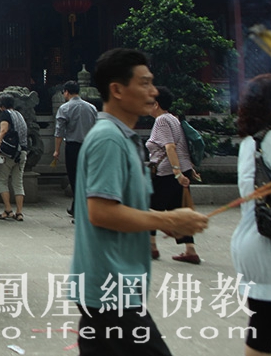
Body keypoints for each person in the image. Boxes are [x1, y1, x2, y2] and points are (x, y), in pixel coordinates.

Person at [70, 48, 208, 356]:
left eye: (152, 82)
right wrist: (168, 220)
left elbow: (121, 207)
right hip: (111, 286)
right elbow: (101, 211)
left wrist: (164, 223)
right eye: (144, 83)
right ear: (117, 89)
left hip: (114, 284)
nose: (153, 91)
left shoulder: (125, 138)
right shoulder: (108, 139)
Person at [231, 73, 271, 356]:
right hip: (270, 244)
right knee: (267, 323)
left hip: (254, 237)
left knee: (264, 324)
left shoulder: (252, 141)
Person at [146, 86, 201, 263]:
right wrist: (186, 169)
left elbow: (170, 146)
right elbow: (183, 145)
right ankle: (190, 249)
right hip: (181, 169)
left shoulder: (161, 120)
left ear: (156, 104)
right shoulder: (174, 119)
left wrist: (177, 173)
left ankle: (151, 246)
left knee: (151, 208)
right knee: (180, 210)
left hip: (168, 172)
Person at [52, 80, 98, 218]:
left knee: (74, 178)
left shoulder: (64, 108)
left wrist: (56, 150)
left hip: (73, 147)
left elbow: (59, 131)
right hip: (89, 146)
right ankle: (77, 206)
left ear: (66, 92)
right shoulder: (91, 108)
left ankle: (79, 208)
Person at [0, 94, 28, 221]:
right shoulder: (19, 115)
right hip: (22, 152)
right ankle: (19, 212)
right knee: (18, 182)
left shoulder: (5, 114)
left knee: (1, 179)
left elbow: (3, 130)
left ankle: (8, 209)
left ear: (2, 106)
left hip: (9, 153)